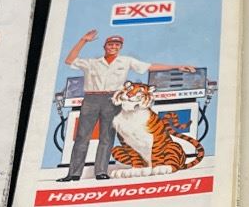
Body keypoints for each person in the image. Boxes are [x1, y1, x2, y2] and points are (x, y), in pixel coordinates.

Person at [61, 30, 176, 182]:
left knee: (107, 137)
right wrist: (83, 40)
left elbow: (149, 67)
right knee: (82, 136)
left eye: (117, 45)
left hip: (112, 100)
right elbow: (69, 60)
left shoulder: (126, 61)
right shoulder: (92, 63)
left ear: (120, 47)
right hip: (91, 99)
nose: (113, 47)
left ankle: (101, 172)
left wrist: (177, 67)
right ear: (105, 46)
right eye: (110, 44)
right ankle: (74, 174)